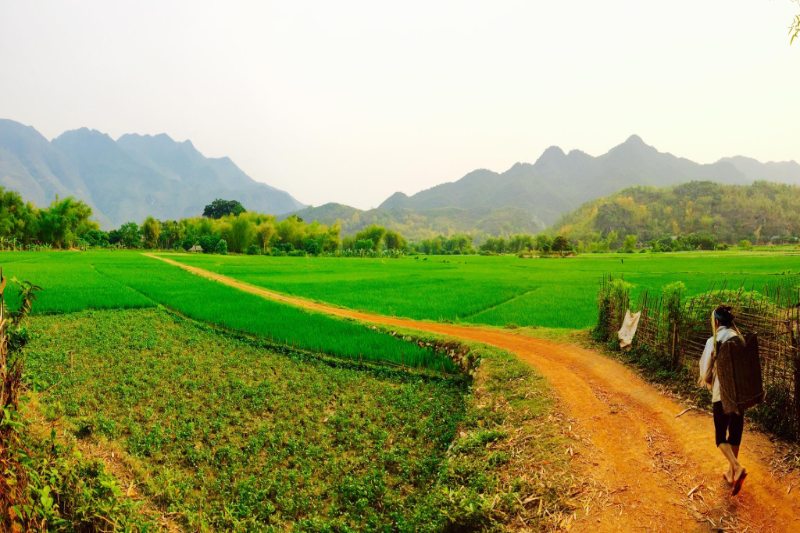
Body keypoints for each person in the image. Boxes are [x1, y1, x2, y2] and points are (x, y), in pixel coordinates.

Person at [698, 305, 747, 496]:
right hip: (741, 396)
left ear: (716, 322)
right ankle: (731, 472)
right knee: (735, 433)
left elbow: (704, 372)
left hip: (721, 395)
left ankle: (736, 466)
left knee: (720, 437)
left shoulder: (714, 340)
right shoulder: (739, 339)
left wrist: (709, 379)